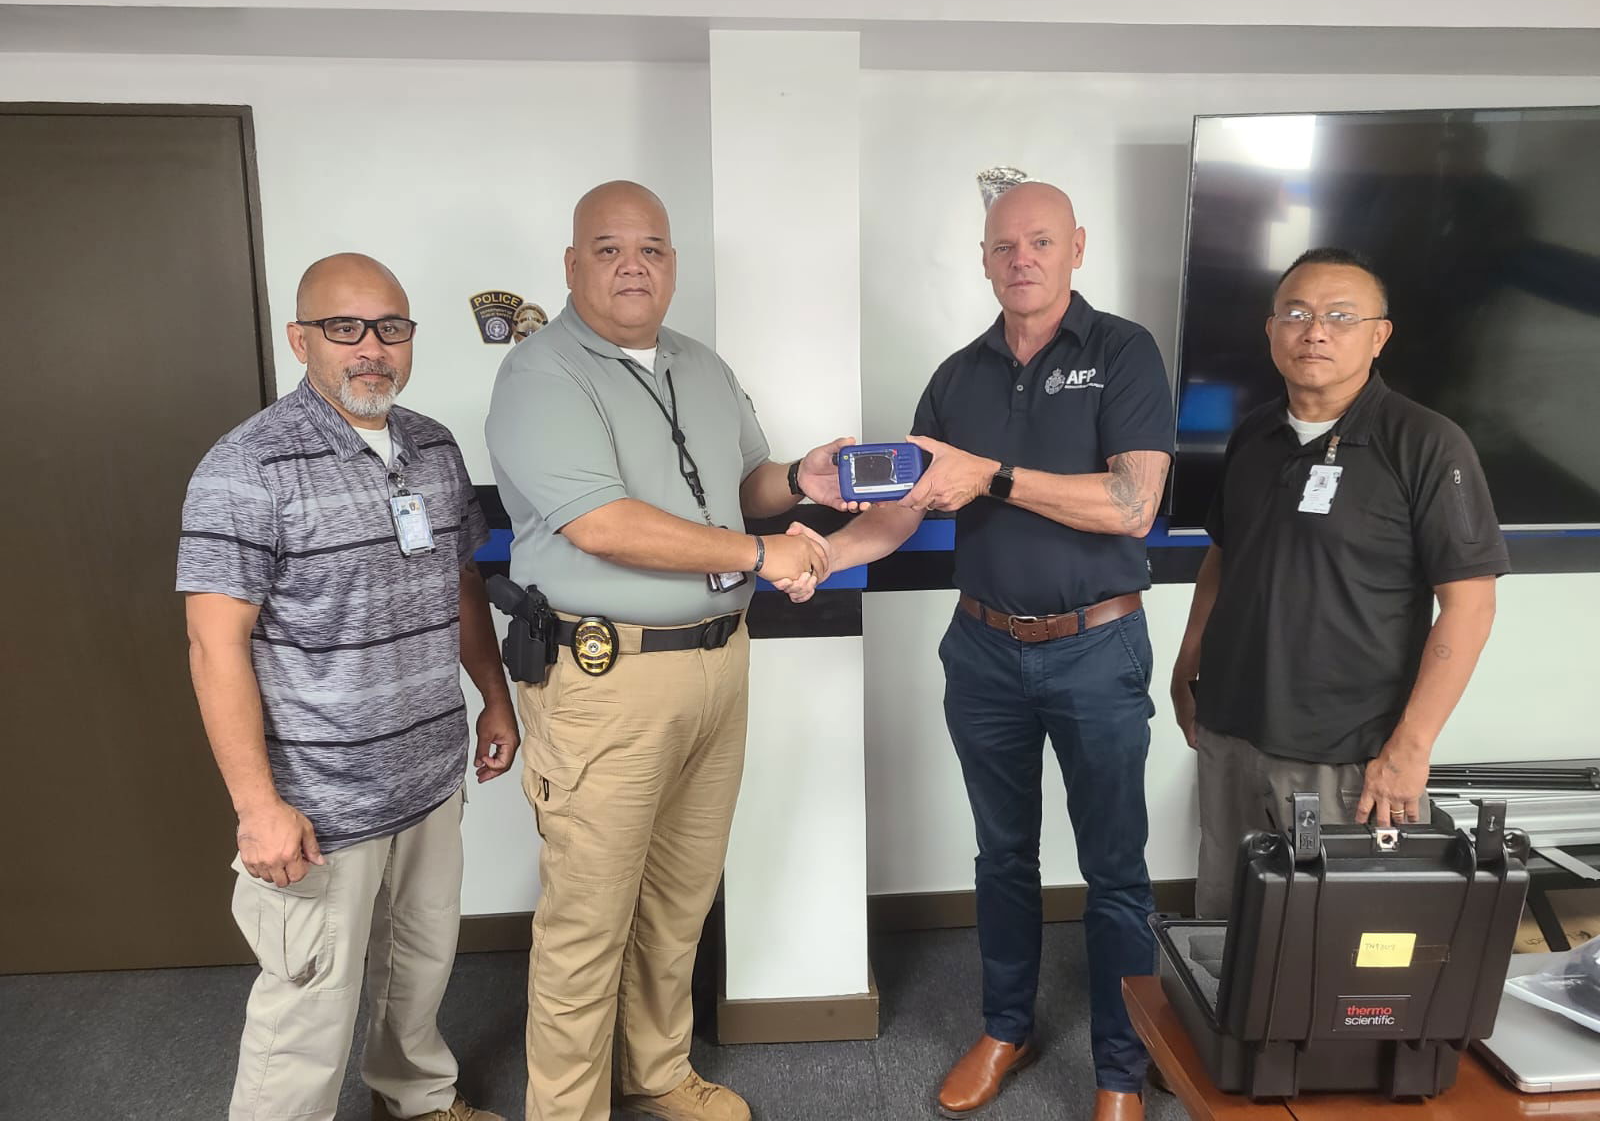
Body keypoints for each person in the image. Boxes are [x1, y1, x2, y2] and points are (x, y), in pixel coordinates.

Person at [485, 180, 854, 1121]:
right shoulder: (541, 373)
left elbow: (746, 481)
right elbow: (604, 525)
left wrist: (800, 478)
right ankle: (567, 1111)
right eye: (607, 249)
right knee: (586, 921)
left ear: (674, 264)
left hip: (718, 665)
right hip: (604, 677)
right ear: (571, 267)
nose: (632, 265)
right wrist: (757, 554)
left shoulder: (700, 362)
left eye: (651, 247)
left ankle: (656, 1071)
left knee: (680, 898)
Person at [812, 181, 1173, 1121]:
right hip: (982, 651)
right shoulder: (957, 375)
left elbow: (1132, 504)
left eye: (1041, 241)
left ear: (1076, 248)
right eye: (1005, 244)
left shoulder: (1126, 352)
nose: (1023, 257)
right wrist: (820, 556)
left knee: (1116, 871)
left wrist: (996, 477)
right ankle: (1005, 1026)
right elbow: (902, 510)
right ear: (982, 257)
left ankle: (1121, 1069)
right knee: (1002, 855)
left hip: (1097, 648)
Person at [178, 253, 516, 1121]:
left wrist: (496, 696)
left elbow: (462, 582)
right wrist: (258, 807)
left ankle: (417, 1097)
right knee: (306, 1011)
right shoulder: (245, 467)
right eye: (344, 328)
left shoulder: (434, 447)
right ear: (301, 339)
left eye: (390, 328)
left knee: (421, 966)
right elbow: (215, 645)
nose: (371, 348)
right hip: (318, 802)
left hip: (430, 774)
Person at [1169, 247, 1507, 919]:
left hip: (1348, 753)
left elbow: (1469, 608)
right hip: (1232, 731)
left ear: (1379, 335)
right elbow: (1223, 559)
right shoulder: (1253, 436)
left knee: (1332, 944)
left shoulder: (1426, 444)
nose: (1315, 331)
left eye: (1340, 316)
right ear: (1271, 331)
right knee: (1229, 923)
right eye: (1296, 314)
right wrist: (1187, 664)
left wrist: (1410, 750)